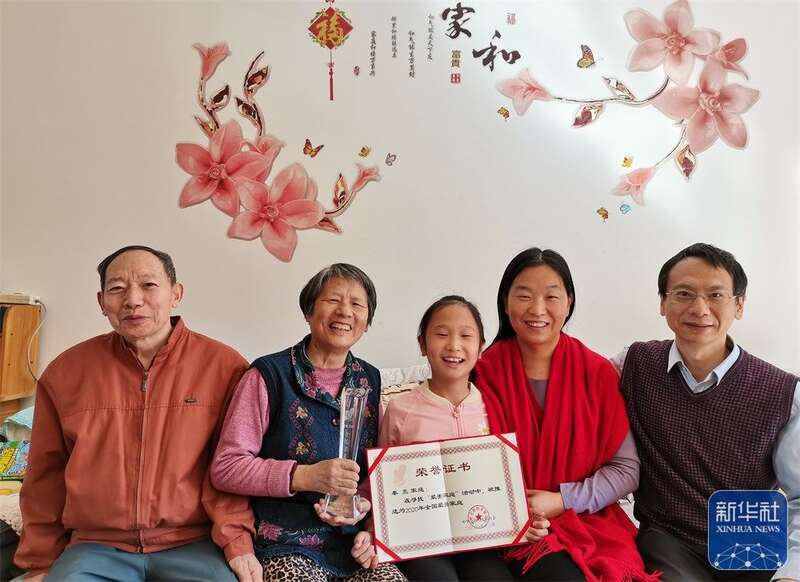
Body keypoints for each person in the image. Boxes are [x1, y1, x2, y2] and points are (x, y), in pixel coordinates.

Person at [15, 245, 260, 581]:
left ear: (176, 294)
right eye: (117, 288)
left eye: (148, 285)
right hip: (94, 547)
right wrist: (39, 563)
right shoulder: (65, 373)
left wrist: (237, 543)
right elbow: (44, 476)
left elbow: (232, 468)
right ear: (102, 302)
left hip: (193, 543)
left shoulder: (224, 367)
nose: (132, 300)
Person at [613, 243, 799, 582]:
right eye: (684, 294)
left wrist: (790, 574)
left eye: (716, 295)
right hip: (670, 542)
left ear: (739, 305)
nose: (700, 309)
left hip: (752, 544)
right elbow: (571, 385)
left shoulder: (784, 392)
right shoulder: (634, 364)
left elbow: (799, 497)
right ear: (663, 302)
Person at [210, 263, 406, 582]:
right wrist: (304, 476)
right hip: (286, 544)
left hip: (351, 544)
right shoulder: (268, 375)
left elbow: (376, 471)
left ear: (367, 321)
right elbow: (226, 467)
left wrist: (366, 520)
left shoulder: (369, 379)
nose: (345, 311)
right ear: (308, 311)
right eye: (333, 300)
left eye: (357, 304)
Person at [474, 247, 655, 582]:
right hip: (498, 524)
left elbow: (627, 470)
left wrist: (562, 500)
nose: (537, 309)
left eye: (551, 296)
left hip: (585, 519)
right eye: (524, 295)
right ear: (505, 303)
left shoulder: (597, 373)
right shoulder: (480, 373)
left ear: (569, 302)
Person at [374, 295, 513, 581]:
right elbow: (382, 482)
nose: (453, 345)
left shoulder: (495, 406)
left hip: (482, 536)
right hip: (421, 541)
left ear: (481, 347)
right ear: (422, 344)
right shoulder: (400, 409)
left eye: (466, 336)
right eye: (441, 334)